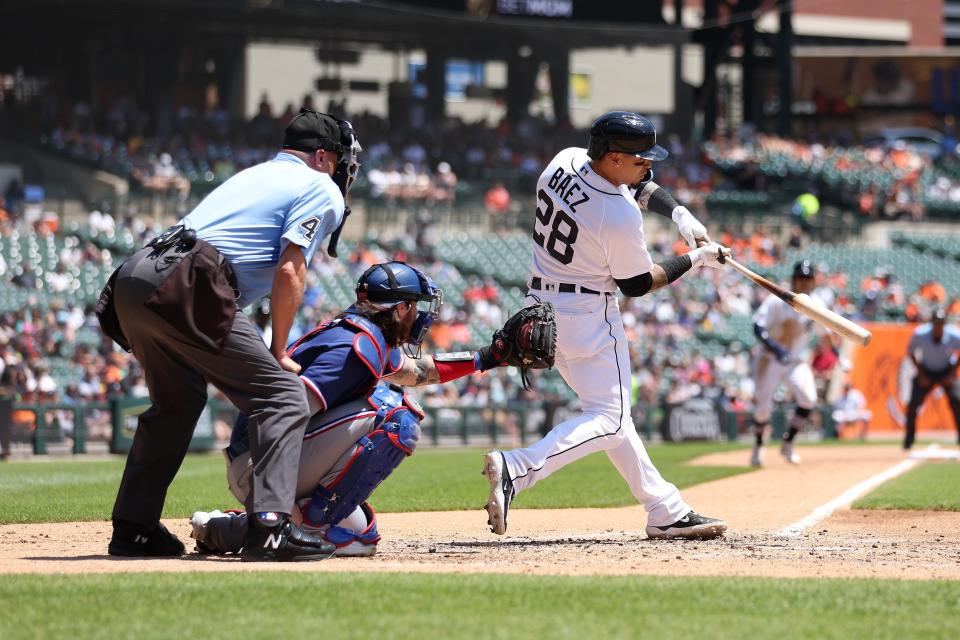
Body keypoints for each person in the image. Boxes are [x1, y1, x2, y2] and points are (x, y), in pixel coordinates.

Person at [98, 109, 362, 562]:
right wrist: (279, 349)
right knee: (282, 395)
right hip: (189, 279)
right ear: (322, 157)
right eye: (338, 160)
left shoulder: (259, 173)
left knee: (178, 405)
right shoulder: (319, 185)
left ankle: (134, 528)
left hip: (136, 277)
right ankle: (271, 529)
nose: (340, 170)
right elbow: (290, 268)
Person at [482, 111, 730, 541]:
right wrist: (697, 259)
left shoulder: (565, 159)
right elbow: (636, 284)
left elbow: (638, 183)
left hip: (541, 306)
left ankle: (664, 508)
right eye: (639, 159)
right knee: (611, 420)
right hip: (588, 316)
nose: (648, 166)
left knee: (612, 414)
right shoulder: (616, 213)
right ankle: (518, 469)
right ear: (613, 157)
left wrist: (680, 216)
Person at [188, 262, 525, 556]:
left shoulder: (365, 335)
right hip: (261, 462)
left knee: (358, 536)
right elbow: (279, 413)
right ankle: (292, 525)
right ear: (397, 309)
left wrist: (488, 357)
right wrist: (270, 499)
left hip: (263, 458)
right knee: (397, 416)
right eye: (413, 305)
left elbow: (419, 372)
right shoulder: (354, 348)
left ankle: (227, 529)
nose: (419, 314)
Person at [749, 261, 837, 466]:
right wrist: (777, 349)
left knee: (808, 398)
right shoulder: (778, 298)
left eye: (808, 279)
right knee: (763, 409)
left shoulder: (815, 305)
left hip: (794, 361)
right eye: (801, 278)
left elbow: (824, 334)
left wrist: (836, 354)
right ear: (794, 279)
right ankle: (759, 445)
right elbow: (757, 326)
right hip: (768, 359)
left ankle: (787, 442)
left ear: (813, 281)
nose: (804, 283)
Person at [903, 308, 960, 450]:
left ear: (944, 324)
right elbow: (911, 352)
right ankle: (908, 440)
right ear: (931, 323)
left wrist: (951, 373)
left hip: (946, 370)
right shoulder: (920, 334)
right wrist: (921, 373)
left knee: (957, 401)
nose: (938, 326)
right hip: (926, 370)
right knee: (913, 405)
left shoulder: (954, 335)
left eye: (940, 323)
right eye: (936, 323)